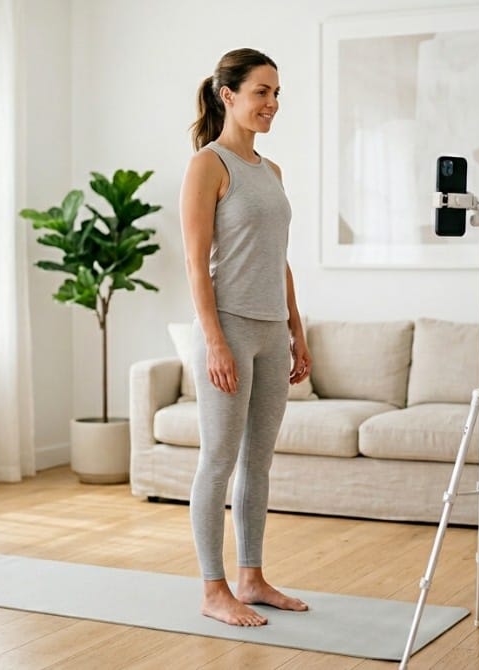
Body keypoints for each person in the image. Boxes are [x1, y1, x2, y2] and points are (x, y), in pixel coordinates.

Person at [179, 48, 311, 627]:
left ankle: (251, 579)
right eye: (262, 92)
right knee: (218, 461)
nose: (273, 104)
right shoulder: (208, 165)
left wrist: (297, 332)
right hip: (228, 327)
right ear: (227, 95)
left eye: (277, 93)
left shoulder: (271, 172)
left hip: (270, 331)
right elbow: (193, 262)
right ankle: (214, 589)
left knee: (259, 463)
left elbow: (280, 261)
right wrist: (213, 341)